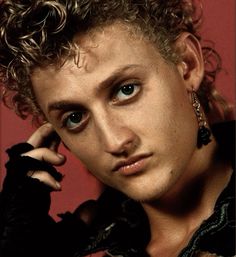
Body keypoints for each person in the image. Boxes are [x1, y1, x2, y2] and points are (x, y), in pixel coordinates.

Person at [0, 0, 235, 257]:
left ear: (187, 65)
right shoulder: (84, 244)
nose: (114, 142)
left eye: (126, 90)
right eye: (75, 117)